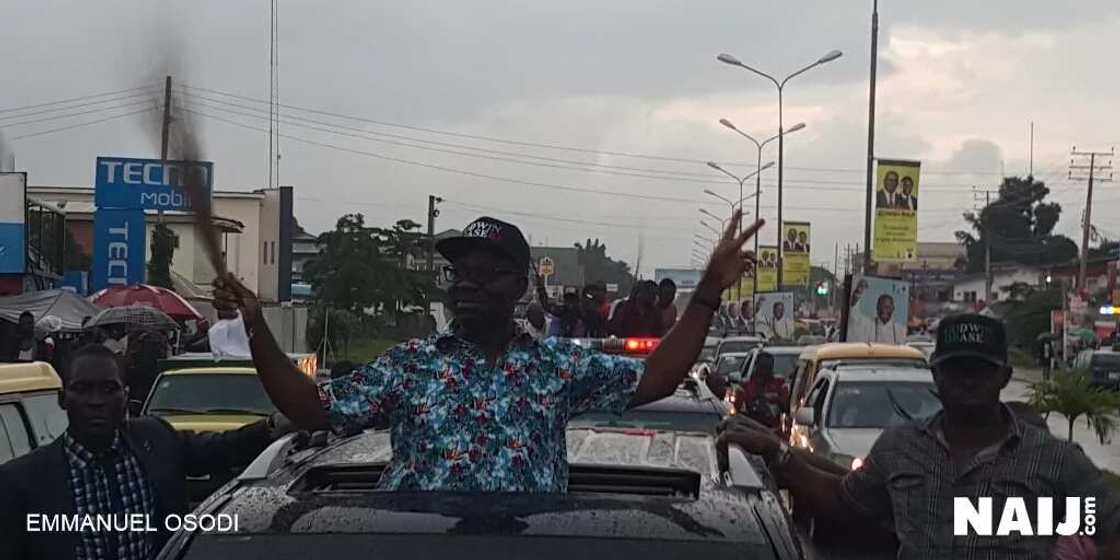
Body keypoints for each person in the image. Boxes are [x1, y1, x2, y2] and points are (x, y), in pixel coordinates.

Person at [212, 213, 763, 492]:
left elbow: (658, 378)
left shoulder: (556, 367)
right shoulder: (411, 365)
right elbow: (312, 407)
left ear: (520, 286)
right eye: (458, 274)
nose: (466, 286)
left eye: (485, 273)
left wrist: (708, 292)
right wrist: (257, 327)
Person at [719, 314, 1120, 558]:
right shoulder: (901, 449)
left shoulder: (1055, 462)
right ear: (936, 375)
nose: (967, 381)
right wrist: (778, 455)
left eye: (979, 370)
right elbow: (844, 500)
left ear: (1004, 377)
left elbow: (1106, 528)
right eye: (955, 369)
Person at [0, 344, 291, 560]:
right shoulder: (24, 480)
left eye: (108, 389)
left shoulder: (155, 439)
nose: (96, 401)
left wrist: (273, 426)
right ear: (63, 399)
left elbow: (218, 449)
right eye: (83, 389)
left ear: (126, 397)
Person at [734, 352, 789, 429]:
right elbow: (738, 409)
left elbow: (786, 406)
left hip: (774, 430)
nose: (765, 371)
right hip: (750, 429)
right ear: (756, 366)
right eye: (762, 367)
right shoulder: (745, 386)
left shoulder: (780, 384)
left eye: (768, 367)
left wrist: (774, 399)